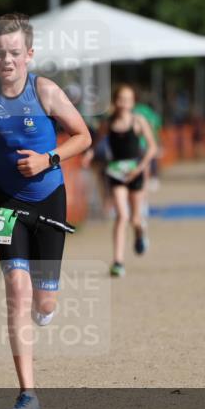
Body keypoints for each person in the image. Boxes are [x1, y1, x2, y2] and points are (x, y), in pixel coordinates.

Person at [0, 13, 91, 409]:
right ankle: (27, 395)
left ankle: (45, 305)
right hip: (6, 204)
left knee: (43, 301)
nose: (7, 60)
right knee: (17, 292)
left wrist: (47, 159)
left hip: (49, 202)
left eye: (15, 53)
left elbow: (83, 136)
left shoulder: (46, 91)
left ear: (29, 54)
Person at [82, 84, 158, 277]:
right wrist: (89, 154)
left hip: (135, 172)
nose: (124, 103)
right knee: (122, 216)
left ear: (133, 102)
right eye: (120, 99)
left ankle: (140, 232)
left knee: (134, 219)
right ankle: (118, 261)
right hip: (116, 173)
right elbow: (97, 141)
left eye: (127, 100)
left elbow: (152, 148)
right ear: (115, 101)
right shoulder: (108, 123)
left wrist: (139, 168)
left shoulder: (138, 121)